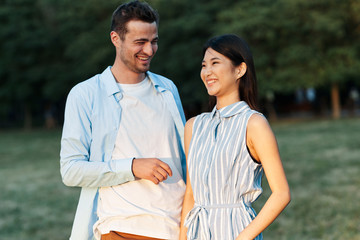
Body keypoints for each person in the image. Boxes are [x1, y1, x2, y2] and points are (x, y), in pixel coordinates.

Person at [60, 1, 186, 240]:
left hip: (178, 227)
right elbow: (71, 170)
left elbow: (184, 159)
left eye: (154, 41)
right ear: (115, 38)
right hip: (123, 228)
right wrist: (132, 166)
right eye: (140, 42)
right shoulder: (85, 94)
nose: (149, 50)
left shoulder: (168, 89)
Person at [179, 34, 291, 240]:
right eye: (204, 65)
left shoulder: (253, 124)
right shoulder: (194, 126)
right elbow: (191, 195)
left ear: (240, 69)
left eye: (215, 63)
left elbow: (281, 193)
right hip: (198, 232)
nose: (207, 72)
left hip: (235, 231)